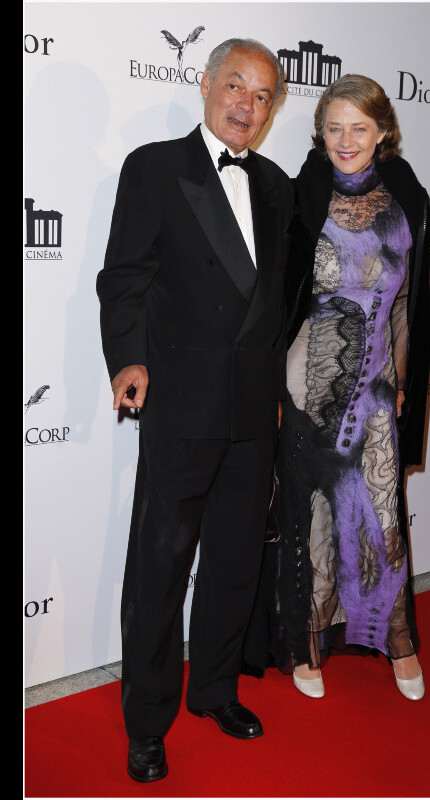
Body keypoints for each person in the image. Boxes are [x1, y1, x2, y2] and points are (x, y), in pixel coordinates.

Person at [96, 38, 293, 783]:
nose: (246, 103)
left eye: (263, 94)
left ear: (272, 108)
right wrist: (129, 359)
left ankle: (214, 690)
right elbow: (123, 276)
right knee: (159, 569)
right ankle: (147, 723)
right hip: (180, 400)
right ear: (206, 83)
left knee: (235, 565)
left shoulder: (275, 185)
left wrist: (277, 390)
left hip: (251, 410)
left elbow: (280, 301)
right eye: (235, 85)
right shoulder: (153, 166)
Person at [272, 74, 430, 702]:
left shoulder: (407, 198)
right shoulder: (301, 192)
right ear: (321, 131)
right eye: (333, 127)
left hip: (374, 386)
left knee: (383, 513)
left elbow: (405, 304)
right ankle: (307, 646)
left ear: (382, 131)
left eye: (358, 128)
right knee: (312, 513)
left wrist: (399, 379)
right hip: (309, 378)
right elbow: (283, 299)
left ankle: (399, 642)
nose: (345, 140)